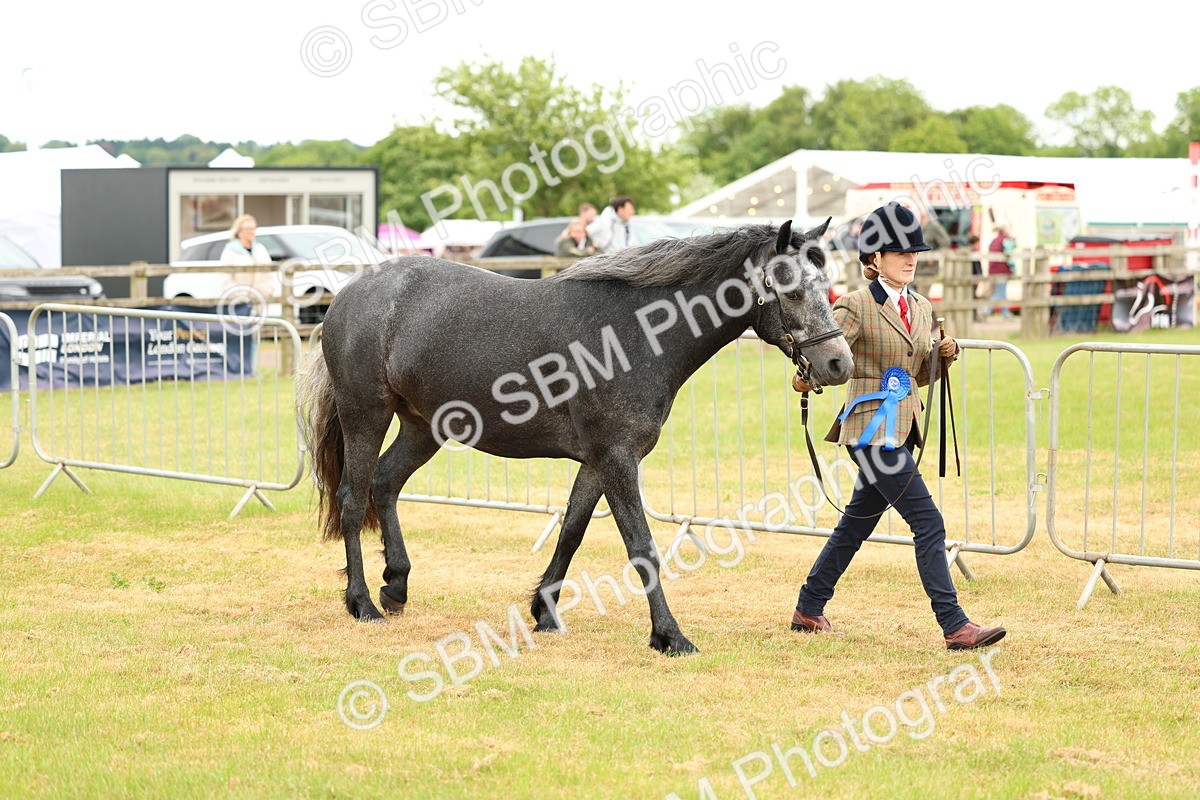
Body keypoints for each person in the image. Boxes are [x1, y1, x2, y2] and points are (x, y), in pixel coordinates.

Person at [789, 202, 1006, 651]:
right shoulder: (854, 305)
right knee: (929, 523)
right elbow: (831, 358)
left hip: (904, 428)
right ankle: (955, 625)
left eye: (915, 252)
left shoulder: (923, 307)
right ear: (873, 259)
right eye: (899, 252)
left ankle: (808, 608)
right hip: (870, 433)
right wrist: (806, 378)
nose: (911, 259)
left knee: (855, 525)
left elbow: (914, 374)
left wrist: (942, 359)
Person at [987, 224, 1016, 318]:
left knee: (1002, 292)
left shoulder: (994, 241)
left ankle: (1005, 313)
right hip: (1002, 270)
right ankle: (985, 310)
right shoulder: (1006, 241)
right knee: (999, 293)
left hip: (992, 270)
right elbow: (1009, 256)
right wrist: (1013, 268)